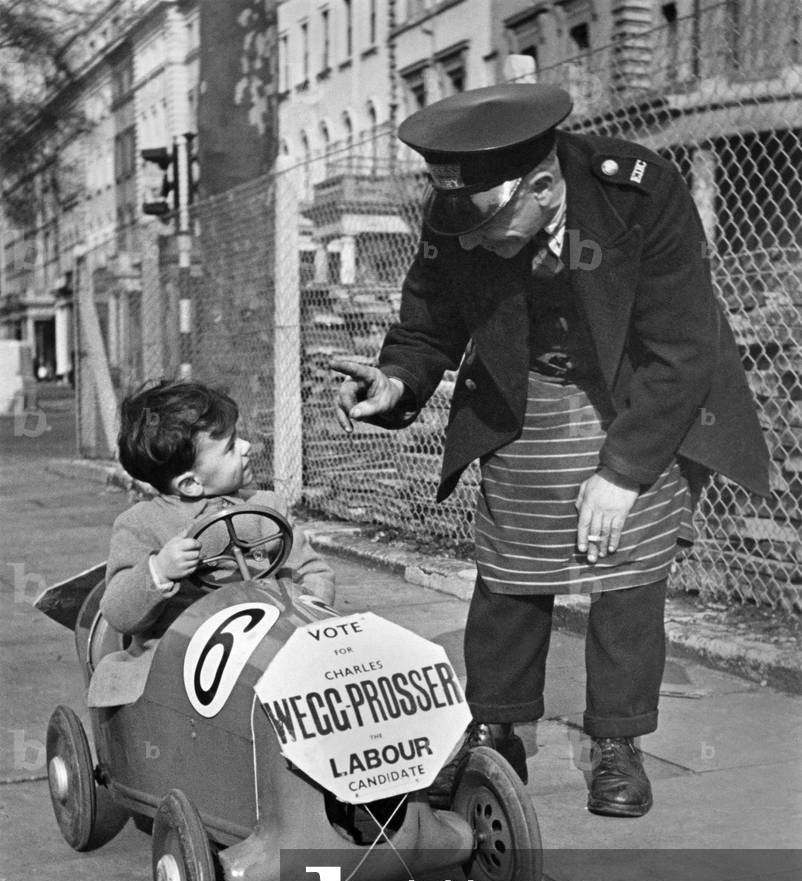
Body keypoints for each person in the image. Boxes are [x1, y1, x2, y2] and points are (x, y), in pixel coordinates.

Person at [331, 83, 769, 817]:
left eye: (489, 226)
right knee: (508, 567)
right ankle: (496, 727)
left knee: (628, 571)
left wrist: (623, 472)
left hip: (635, 392)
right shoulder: (458, 209)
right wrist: (397, 380)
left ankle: (618, 742)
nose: (473, 241)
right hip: (528, 389)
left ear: (541, 184)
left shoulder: (639, 194)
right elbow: (430, 320)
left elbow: (684, 350)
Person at [90, 380, 334, 706]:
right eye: (232, 446)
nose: (247, 446)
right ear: (191, 483)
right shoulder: (141, 524)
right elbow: (118, 612)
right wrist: (158, 570)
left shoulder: (267, 507)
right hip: (177, 665)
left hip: (269, 647)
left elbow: (312, 570)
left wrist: (306, 617)